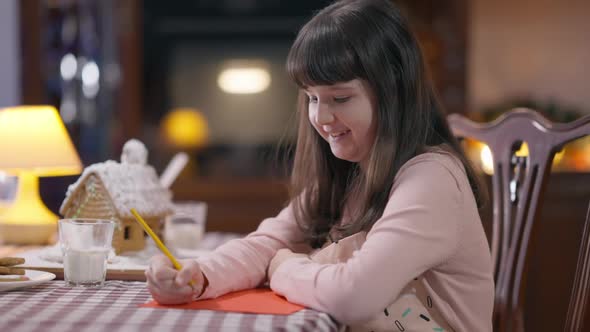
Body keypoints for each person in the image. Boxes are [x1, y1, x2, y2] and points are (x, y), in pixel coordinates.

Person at [146, 0, 494, 330]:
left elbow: (355, 295)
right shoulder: (351, 172)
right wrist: (195, 277)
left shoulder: (432, 179)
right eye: (312, 97)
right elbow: (266, 243)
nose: (320, 117)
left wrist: (285, 268)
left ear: (394, 93)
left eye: (340, 98)